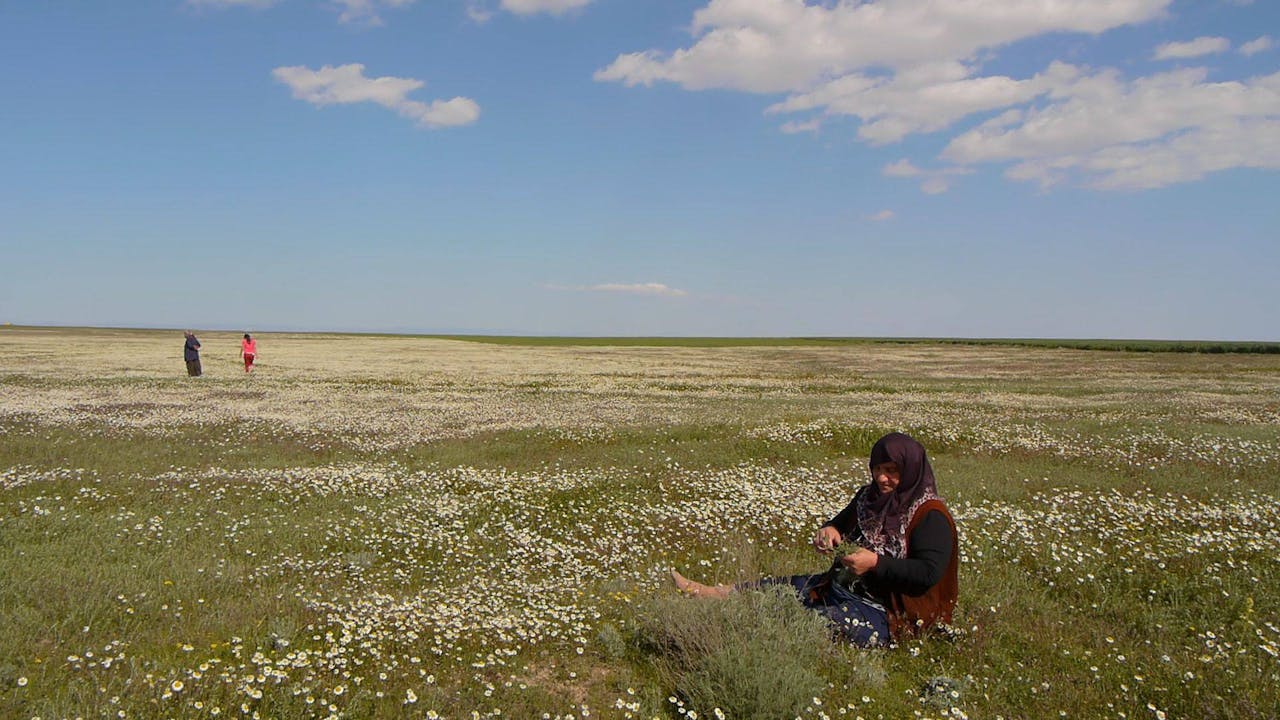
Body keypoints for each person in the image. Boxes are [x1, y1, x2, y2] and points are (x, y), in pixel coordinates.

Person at [671, 432, 959, 647]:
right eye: (877, 469)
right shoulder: (869, 498)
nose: (882, 478)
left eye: (891, 471)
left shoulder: (929, 515)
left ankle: (722, 632)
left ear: (910, 470)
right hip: (844, 587)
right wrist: (829, 531)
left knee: (806, 622)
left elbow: (928, 573)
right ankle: (708, 593)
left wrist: (875, 563)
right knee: (778, 587)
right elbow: (840, 523)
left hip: (891, 613)